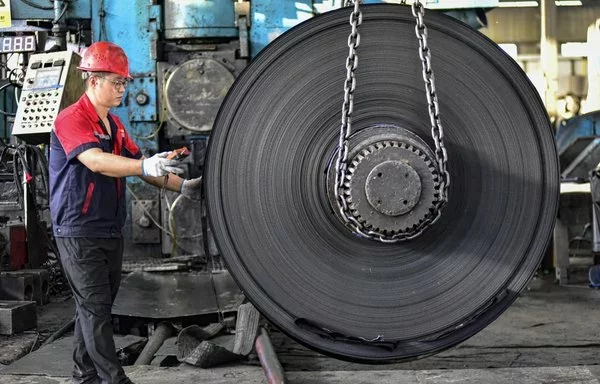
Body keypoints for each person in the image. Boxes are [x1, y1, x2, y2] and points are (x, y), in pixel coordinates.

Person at [48, 41, 202, 384]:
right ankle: (113, 379)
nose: (123, 88)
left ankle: (83, 375)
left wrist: (187, 187)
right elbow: (97, 162)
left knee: (91, 308)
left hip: (108, 228)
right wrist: (142, 164)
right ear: (92, 80)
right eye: (116, 82)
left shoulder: (113, 126)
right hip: (78, 229)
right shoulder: (71, 119)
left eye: (124, 82)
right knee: (96, 308)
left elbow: (146, 168)